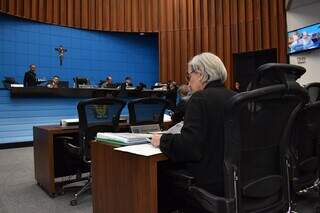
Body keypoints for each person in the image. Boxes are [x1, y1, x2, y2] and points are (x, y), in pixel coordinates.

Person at [151, 52, 236, 204]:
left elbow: (189, 147)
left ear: (201, 74)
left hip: (209, 185)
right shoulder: (236, 98)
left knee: (159, 174)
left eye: (189, 76)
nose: (188, 83)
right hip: (234, 181)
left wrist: (162, 139)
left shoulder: (199, 99)